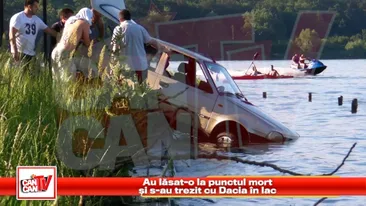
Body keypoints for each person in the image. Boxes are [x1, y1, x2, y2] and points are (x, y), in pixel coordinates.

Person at [111, 9, 168, 84]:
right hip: (141, 66)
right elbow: (151, 41)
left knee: (126, 92)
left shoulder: (118, 29)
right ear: (130, 17)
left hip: (126, 66)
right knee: (141, 91)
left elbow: (115, 49)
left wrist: (113, 66)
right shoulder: (140, 28)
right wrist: (164, 48)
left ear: (120, 19)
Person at [9, 0, 57, 69]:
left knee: (33, 76)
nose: (37, 8)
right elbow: (12, 35)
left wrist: (63, 36)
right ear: (29, 6)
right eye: (36, 6)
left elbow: (49, 31)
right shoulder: (18, 17)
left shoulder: (36, 19)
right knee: (21, 76)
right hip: (20, 52)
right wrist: (15, 51)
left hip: (31, 53)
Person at [51, 8, 93, 81]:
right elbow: (87, 43)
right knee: (68, 81)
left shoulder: (70, 22)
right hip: (65, 54)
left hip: (56, 51)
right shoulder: (84, 23)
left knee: (56, 81)